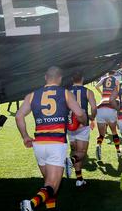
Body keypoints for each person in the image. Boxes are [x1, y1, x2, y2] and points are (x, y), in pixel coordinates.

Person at [16, 66, 86, 210]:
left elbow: (18, 116)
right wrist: (84, 119)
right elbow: (79, 114)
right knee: (51, 186)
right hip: (56, 144)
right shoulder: (65, 93)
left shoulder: (32, 95)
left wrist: (25, 137)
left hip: (39, 144)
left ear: (45, 78)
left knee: (48, 185)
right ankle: (31, 203)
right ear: (60, 79)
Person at [66, 71, 97, 187]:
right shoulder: (88, 91)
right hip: (82, 124)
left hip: (70, 124)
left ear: (72, 79)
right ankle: (71, 161)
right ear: (83, 78)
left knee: (74, 150)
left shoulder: (66, 92)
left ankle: (79, 179)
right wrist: (92, 117)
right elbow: (94, 108)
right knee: (82, 152)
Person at [94, 70, 122, 160]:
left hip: (101, 105)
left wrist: (101, 93)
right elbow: (119, 92)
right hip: (111, 105)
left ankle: (98, 145)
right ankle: (118, 151)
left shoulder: (104, 79)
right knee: (114, 132)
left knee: (101, 134)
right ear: (114, 72)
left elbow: (96, 86)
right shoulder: (116, 80)